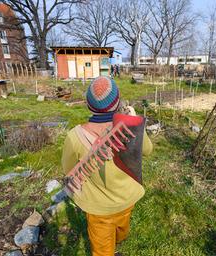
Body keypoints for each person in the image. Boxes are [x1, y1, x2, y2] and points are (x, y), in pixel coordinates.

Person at [62, 76, 153, 256]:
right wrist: (135, 122)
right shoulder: (130, 129)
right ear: (118, 102)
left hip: (98, 209)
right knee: (122, 228)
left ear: (89, 105)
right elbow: (148, 150)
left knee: (103, 248)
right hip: (127, 199)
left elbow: (68, 169)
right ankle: (118, 240)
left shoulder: (74, 136)